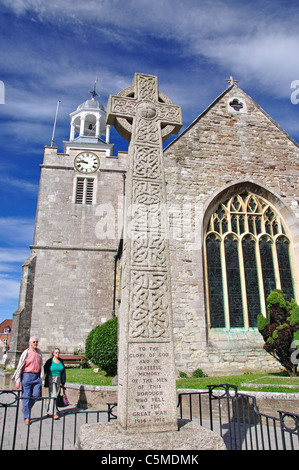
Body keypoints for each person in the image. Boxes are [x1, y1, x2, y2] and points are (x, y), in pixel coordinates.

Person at [13, 337, 43, 425]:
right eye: (34, 342)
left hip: (37, 376)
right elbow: (19, 366)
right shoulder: (26, 353)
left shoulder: (39, 352)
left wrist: (41, 377)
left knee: (36, 395)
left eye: (37, 342)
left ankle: (26, 408)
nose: (36, 343)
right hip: (27, 376)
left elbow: (41, 364)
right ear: (30, 343)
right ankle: (27, 417)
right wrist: (17, 380)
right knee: (26, 396)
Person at [44, 348, 66, 420]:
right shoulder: (49, 361)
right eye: (56, 352)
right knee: (53, 394)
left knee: (54, 395)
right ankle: (54, 412)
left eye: (58, 352)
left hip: (58, 379)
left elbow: (63, 372)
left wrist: (63, 382)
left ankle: (49, 411)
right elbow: (45, 369)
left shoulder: (61, 361)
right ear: (53, 353)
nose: (57, 353)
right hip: (51, 378)